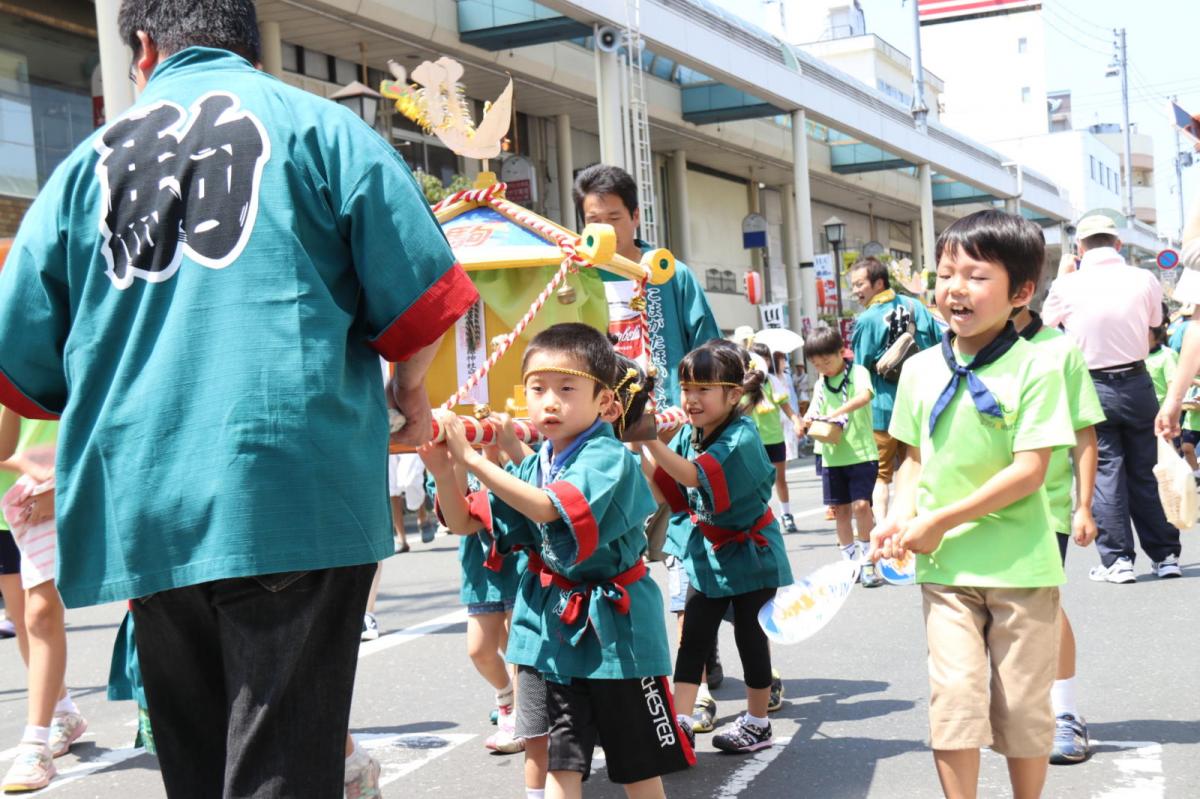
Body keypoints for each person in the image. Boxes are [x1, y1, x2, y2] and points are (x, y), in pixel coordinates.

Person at [0, 1, 478, 795]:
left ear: (145, 49)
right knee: (281, 765)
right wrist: (409, 393)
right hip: (291, 481)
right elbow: (424, 293)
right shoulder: (322, 129)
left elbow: (24, 362)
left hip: (144, 502)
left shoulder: (82, 168)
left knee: (195, 763)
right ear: (249, 45)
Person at [423, 323, 692, 799]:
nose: (550, 401)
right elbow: (467, 522)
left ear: (606, 402)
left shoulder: (607, 456)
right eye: (537, 389)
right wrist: (448, 470)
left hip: (616, 635)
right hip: (557, 631)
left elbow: (548, 507)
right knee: (558, 759)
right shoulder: (537, 462)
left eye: (567, 389)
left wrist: (477, 460)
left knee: (636, 766)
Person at [872, 209, 1075, 799]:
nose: (955, 288)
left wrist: (939, 519)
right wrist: (898, 514)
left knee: (1023, 708)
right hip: (946, 570)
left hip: (1022, 567)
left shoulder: (1039, 365)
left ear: (1022, 291)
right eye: (945, 273)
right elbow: (913, 460)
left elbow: (1030, 471)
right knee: (954, 701)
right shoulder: (916, 369)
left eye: (976, 275)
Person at [574, 163, 725, 714]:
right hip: (602, 445)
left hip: (672, 437)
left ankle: (696, 684)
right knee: (620, 562)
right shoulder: (576, 273)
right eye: (594, 220)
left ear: (636, 215)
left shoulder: (670, 273)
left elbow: (707, 351)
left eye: (616, 218)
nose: (607, 230)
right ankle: (635, 681)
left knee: (687, 555)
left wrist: (701, 414)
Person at [641, 342, 793, 754]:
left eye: (703, 390)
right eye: (686, 388)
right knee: (694, 638)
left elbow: (691, 476)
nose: (691, 399)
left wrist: (651, 440)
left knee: (750, 637)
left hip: (751, 553)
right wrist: (645, 445)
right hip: (709, 551)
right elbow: (661, 484)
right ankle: (682, 722)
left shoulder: (740, 436)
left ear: (733, 394)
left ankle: (758, 723)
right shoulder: (694, 431)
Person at [1042, 214, 1182, 582]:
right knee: (1147, 470)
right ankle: (1165, 555)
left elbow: (1043, 325)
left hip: (1091, 385)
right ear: (1117, 244)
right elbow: (1155, 323)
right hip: (1138, 380)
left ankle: (1118, 560)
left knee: (1106, 470)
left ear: (1080, 248)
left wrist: (1062, 275)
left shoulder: (1067, 285)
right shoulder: (1144, 278)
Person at [1012, 302, 1104, 765]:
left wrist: (1084, 504)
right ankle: (1021, 709)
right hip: (971, 511)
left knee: (1043, 605)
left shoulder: (1058, 350)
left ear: (1020, 290)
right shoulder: (957, 351)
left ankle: (1065, 713)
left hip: (1043, 506)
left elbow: (1085, 433)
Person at [0, 410, 86, 791]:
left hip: (50, 487)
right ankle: (63, 709)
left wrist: (57, 478)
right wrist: (17, 460)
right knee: (23, 618)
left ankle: (35, 744)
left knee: (40, 614)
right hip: (11, 496)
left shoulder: (48, 349)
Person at [849, 257, 941, 519]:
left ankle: (884, 527)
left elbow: (860, 369)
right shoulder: (917, 307)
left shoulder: (867, 319)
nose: (856, 291)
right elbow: (937, 346)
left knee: (881, 475)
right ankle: (914, 520)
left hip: (882, 409)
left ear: (878, 283)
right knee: (915, 466)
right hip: (919, 404)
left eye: (859, 284)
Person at [800, 327, 883, 588]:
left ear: (840, 352)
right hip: (832, 457)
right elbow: (815, 407)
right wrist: (807, 419)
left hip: (861, 453)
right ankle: (850, 565)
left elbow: (865, 396)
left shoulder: (858, 373)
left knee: (861, 506)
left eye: (827, 360)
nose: (822, 367)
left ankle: (868, 561)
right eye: (816, 363)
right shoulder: (820, 383)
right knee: (841, 511)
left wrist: (837, 411)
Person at [748, 343, 804, 532]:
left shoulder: (772, 381)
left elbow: (786, 406)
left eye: (765, 358)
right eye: (758, 357)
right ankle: (759, 518)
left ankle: (786, 515)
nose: (762, 361)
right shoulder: (744, 383)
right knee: (756, 482)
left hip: (774, 438)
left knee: (780, 479)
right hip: (753, 441)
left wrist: (796, 421)